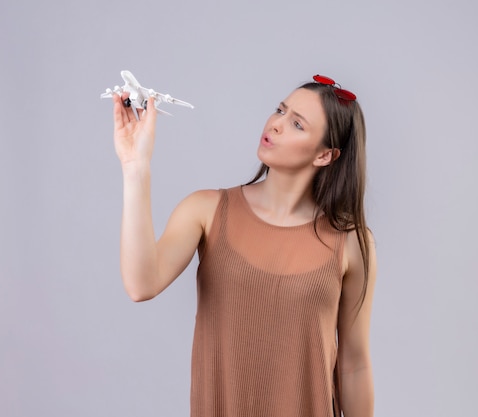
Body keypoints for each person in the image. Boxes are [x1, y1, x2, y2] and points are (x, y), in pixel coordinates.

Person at [112, 74, 377, 417]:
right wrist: (135, 168)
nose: (276, 124)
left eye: (296, 123)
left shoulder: (351, 242)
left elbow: (354, 365)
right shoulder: (206, 210)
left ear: (326, 155)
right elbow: (140, 284)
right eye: (280, 110)